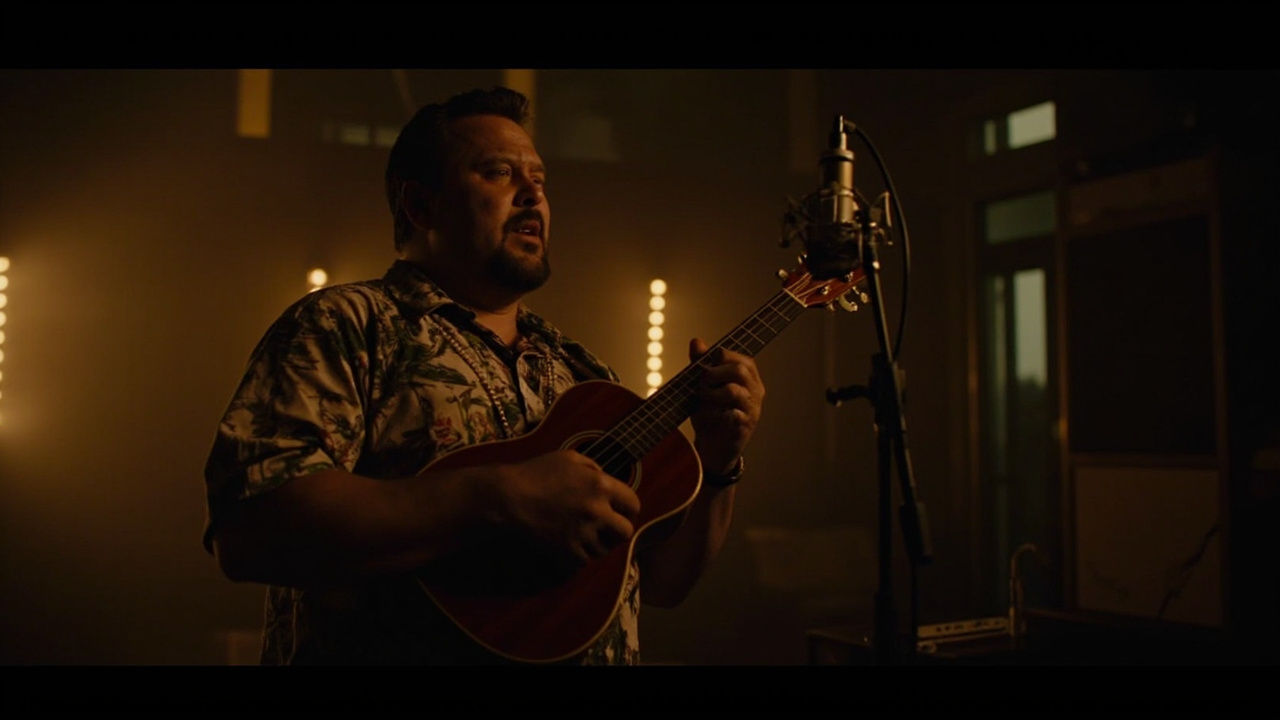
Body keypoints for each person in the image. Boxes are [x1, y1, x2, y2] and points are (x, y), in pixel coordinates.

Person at [201, 86, 765, 665]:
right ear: (421, 206)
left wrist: (720, 464)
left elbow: (665, 582)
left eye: (540, 181)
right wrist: (496, 495)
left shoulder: (584, 373)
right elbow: (250, 528)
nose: (533, 195)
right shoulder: (346, 324)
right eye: (498, 173)